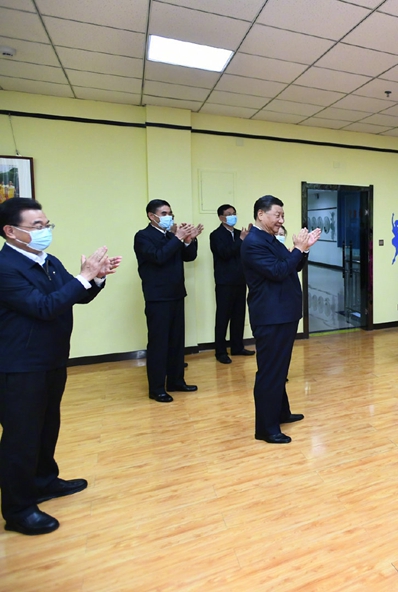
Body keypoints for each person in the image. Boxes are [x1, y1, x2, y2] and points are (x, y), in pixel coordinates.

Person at [0, 198, 120, 535]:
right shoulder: (6, 268)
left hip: (51, 358)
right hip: (20, 365)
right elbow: (43, 307)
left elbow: (75, 294)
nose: (45, 231)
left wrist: (96, 279)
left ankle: (44, 481)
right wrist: (83, 277)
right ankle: (19, 509)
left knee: (47, 425)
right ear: (11, 231)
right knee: (21, 437)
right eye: (37, 226)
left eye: (47, 224)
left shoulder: (47, 261)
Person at [241, 196, 319, 444]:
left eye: (283, 215)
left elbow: (291, 266)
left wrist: (304, 250)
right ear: (260, 214)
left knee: (280, 369)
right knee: (270, 372)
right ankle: (266, 428)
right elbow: (278, 271)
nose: (281, 220)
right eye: (277, 215)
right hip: (270, 316)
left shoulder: (270, 239)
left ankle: (281, 412)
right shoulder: (254, 242)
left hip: (283, 314)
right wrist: (298, 249)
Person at [134, 199, 202, 403]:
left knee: (176, 342)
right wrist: (178, 237)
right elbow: (159, 257)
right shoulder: (143, 236)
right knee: (159, 343)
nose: (169, 217)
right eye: (164, 213)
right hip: (158, 298)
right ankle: (156, 388)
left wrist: (189, 240)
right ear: (151, 216)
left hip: (177, 294)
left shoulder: (172, 236)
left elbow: (189, 257)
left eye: (170, 213)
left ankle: (176, 381)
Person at [209, 204, 254, 364]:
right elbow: (224, 253)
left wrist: (249, 236)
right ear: (221, 217)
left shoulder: (239, 233)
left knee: (239, 315)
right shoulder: (216, 235)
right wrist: (241, 240)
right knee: (223, 317)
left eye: (234, 213)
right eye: (229, 214)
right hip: (224, 282)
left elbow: (247, 253)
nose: (232, 216)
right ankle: (220, 351)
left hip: (241, 280)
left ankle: (237, 347)